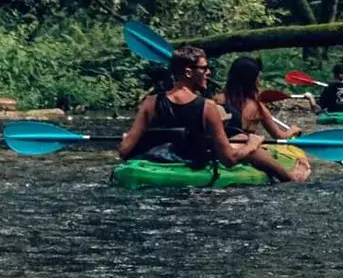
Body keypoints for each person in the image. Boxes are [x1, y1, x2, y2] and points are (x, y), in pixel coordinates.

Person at [118, 45, 308, 183]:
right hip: (193, 161)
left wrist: (127, 138)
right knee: (245, 141)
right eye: (204, 68)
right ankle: (291, 178)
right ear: (188, 72)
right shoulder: (207, 107)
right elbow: (229, 159)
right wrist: (252, 144)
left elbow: (125, 152)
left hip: (161, 159)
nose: (209, 73)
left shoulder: (150, 102)